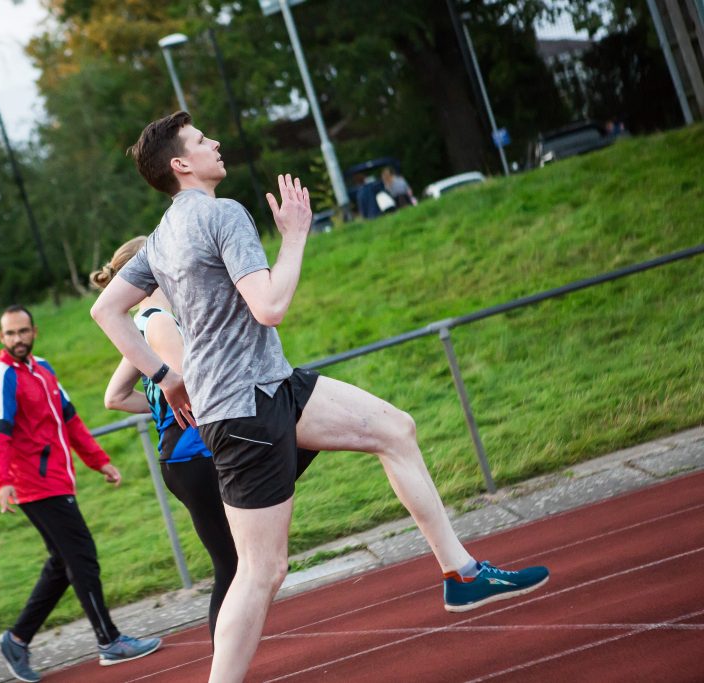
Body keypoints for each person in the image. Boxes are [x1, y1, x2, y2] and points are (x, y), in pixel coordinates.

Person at [90, 111, 549, 683]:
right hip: (242, 406)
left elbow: (105, 310)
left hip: (274, 384)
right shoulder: (221, 214)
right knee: (260, 571)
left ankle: (462, 574)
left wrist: (162, 375)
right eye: (204, 141)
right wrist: (297, 236)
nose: (217, 143)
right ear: (181, 164)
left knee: (395, 429)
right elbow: (270, 306)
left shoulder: (160, 237)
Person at [0, 305, 161, 681]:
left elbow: (70, 420)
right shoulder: (1, 375)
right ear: (1, 338)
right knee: (82, 558)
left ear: (34, 331)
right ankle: (108, 640)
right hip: (34, 484)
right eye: (10, 334)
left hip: (57, 480)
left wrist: (100, 461)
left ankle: (16, 640)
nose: (17, 339)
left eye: (23, 331)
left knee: (63, 564)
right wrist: (2, 481)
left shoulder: (43, 369)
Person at [92, 236, 249, 643]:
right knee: (232, 566)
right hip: (194, 454)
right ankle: (225, 662)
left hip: (180, 456)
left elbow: (115, 398)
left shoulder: (141, 324)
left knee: (236, 561)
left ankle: (230, 657)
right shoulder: (160, 320)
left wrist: (165, 408)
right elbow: (192, 387)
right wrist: (175, 403)